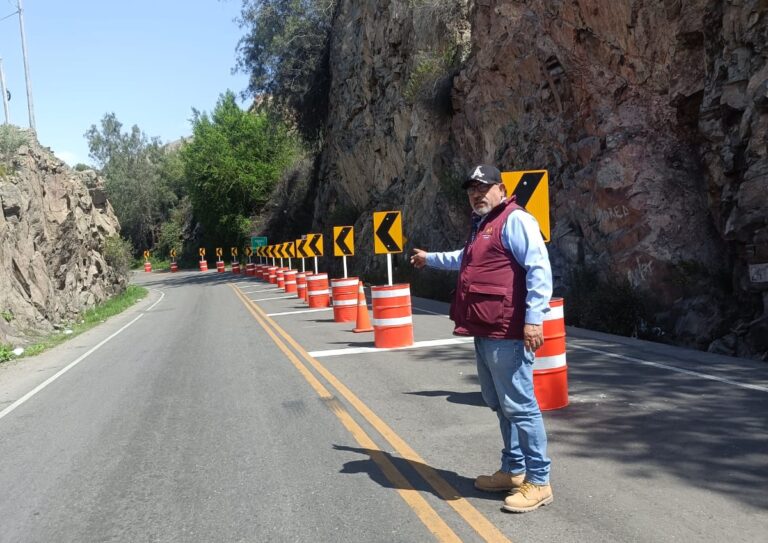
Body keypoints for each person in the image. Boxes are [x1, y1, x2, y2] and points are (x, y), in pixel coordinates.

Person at [410, 164, 554, 513]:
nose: (477, 194)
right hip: (484, 330)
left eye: (484, 187)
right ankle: (513, 469)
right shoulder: (483, 227)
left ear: (501, 190)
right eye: (472, 189)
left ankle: (539, 481)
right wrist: (429, 259)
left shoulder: (516, 220)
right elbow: (465, 260)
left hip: (508, 332)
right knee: (498, 402)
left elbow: (539, 267)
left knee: (520, 406)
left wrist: (534, 320)